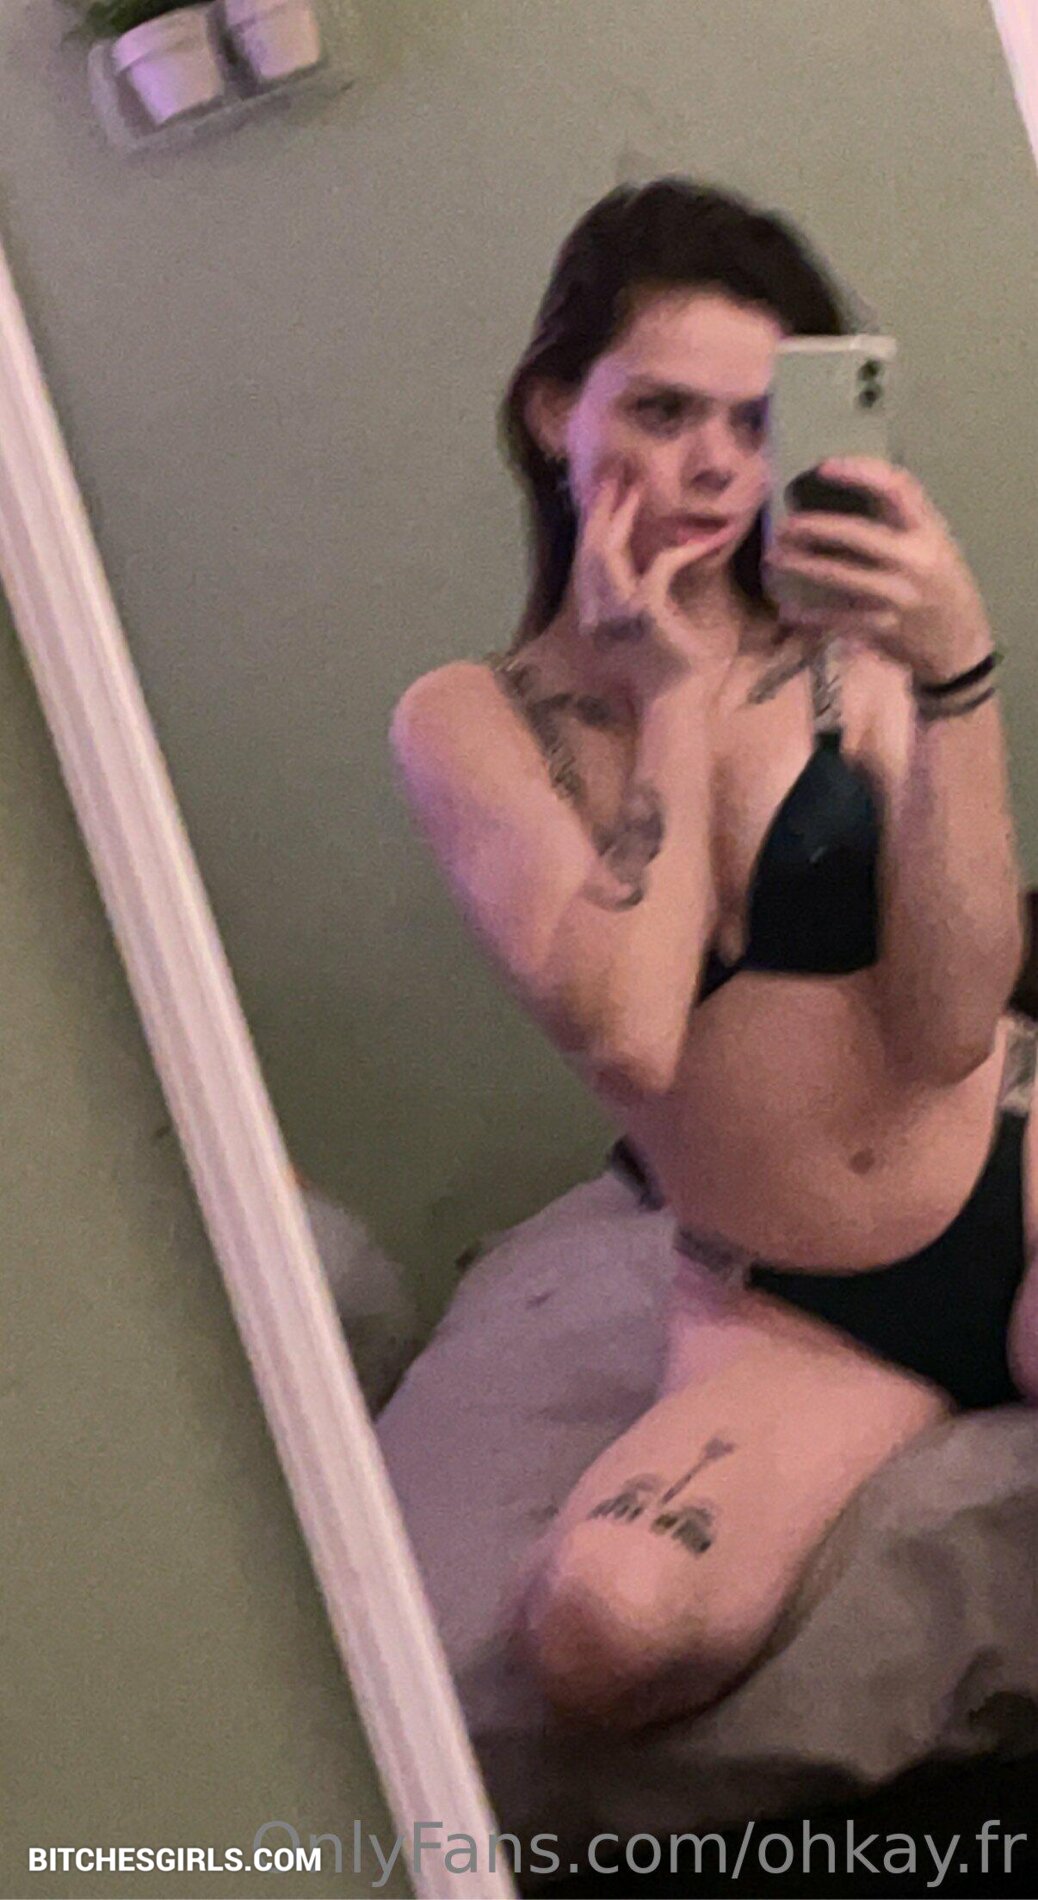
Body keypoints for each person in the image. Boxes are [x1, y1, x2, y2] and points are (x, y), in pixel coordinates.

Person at [389, 177, 1034, 1731]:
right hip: (786, 1308)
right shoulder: (469, 722)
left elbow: (950, 1026)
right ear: (555, 409)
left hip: (1007, 1171)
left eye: (752, 424)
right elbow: (627, 1033)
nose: (710, 466)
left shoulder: (847, 657)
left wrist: (955, 679)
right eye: (661, 409)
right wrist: (666, 698)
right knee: (600, 1633)